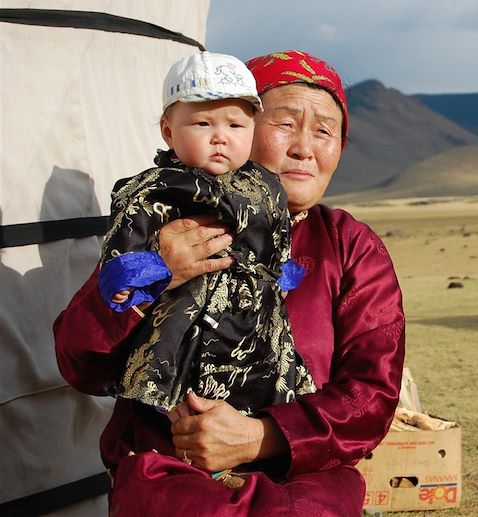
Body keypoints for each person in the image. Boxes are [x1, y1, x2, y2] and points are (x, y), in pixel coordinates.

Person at [54, 50, 405, 516]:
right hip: (169, 472)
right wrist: (158, 272)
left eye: (324, 131)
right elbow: (81, 363)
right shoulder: (169, 221)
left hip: (303, 479)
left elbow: (371, 396)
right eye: (284, 123)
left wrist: (260, 437)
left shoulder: (349, 247)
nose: (304, 147)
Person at [99, 51, 315, 419]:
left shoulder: (264, 183)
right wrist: (127, 274)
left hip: (254, 306)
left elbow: (275, 226)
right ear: (169, 131)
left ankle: (246, 450)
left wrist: (281, 269)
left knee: (266, 375)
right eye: (202, 125)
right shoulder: (162, 185)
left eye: (235, 126)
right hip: (190, 307)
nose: (220, 138)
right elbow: (133, 220)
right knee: (186, 385)